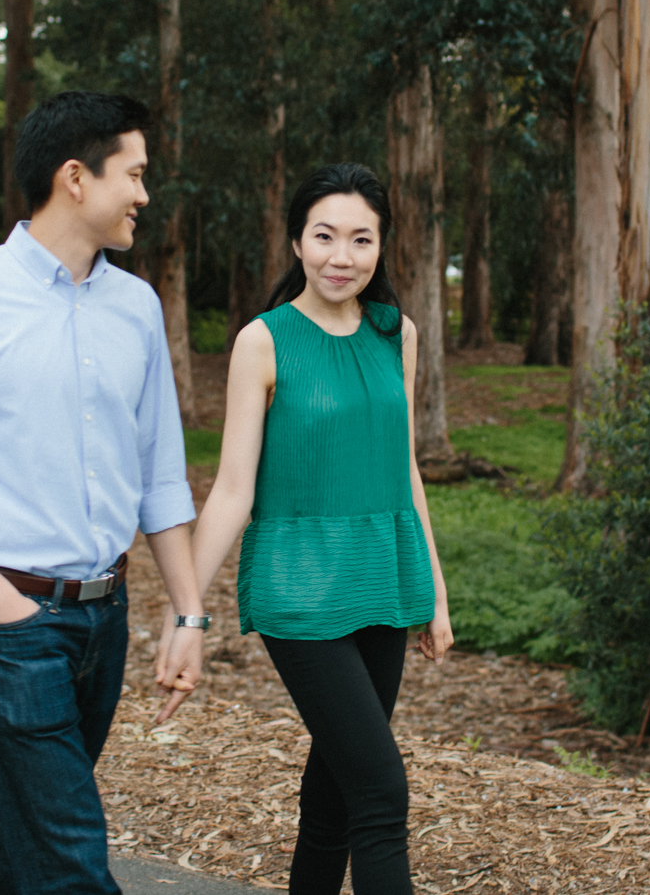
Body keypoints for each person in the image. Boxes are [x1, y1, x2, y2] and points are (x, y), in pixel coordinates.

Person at [0, 90, 210, 895]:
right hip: (9, 625)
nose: (143, 194)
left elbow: (160, 475)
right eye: (133, 174)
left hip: (104, 617)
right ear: (75, 177)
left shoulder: (136, 307)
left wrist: (189, 612)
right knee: (69, 861)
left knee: (26, 831)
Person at [173, 162, 453, 895]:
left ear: (382, 246)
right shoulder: (263, 342)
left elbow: (406, 471)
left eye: (361, 239)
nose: (342, 255)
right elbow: (233, 487)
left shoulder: (398, 334)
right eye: (325, 235)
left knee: (335, 791)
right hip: (299, 591)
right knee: (382, 790)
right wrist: (187, 610)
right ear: (297, 241)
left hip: (384, 581)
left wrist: (435, 592)